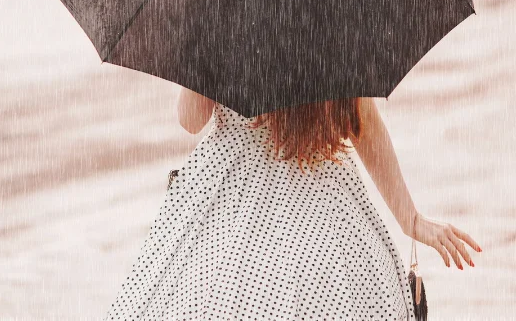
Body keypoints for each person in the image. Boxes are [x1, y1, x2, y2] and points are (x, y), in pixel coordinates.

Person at [104, 88, 482, 320]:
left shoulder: (222, 3)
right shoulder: (325, 6)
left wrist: (200, 37)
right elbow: (361, 120)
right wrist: (410, 218)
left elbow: (190, 119)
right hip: (323, 199)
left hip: (232, 198)